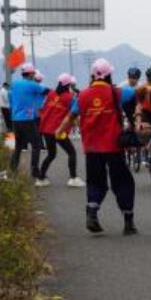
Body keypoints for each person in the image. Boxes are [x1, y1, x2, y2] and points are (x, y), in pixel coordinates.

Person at [57, 58, 137, 235]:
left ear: (93, 75)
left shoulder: (82, 95)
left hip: (92, 148)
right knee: (123, 182)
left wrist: (59, 131)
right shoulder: (117, 92)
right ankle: (128, 222)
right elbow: (137, 92)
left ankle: (92, 212)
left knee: (95, 181)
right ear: (109, 75)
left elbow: (70, 117)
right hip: (114, 147)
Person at [38, 73, 84, 188]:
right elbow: (74, 113)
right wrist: (81, 128)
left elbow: (42, 108)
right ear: (69, 84)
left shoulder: (51, 94)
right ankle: (73, 178)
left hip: (46, 130)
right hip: (59, 131)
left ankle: (41, 178)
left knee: (51, 154)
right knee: (71, 152)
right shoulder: (70, 97)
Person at [9, 63, 50, 181]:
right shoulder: (33, 85)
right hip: (27, 120)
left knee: (18, 146)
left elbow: (10, 96)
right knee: (36, 145)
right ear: (31, 73)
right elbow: (47, 91)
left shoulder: (14, 84)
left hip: (15, 119)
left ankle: (12, 169)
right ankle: (35, 170)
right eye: (33, 73)